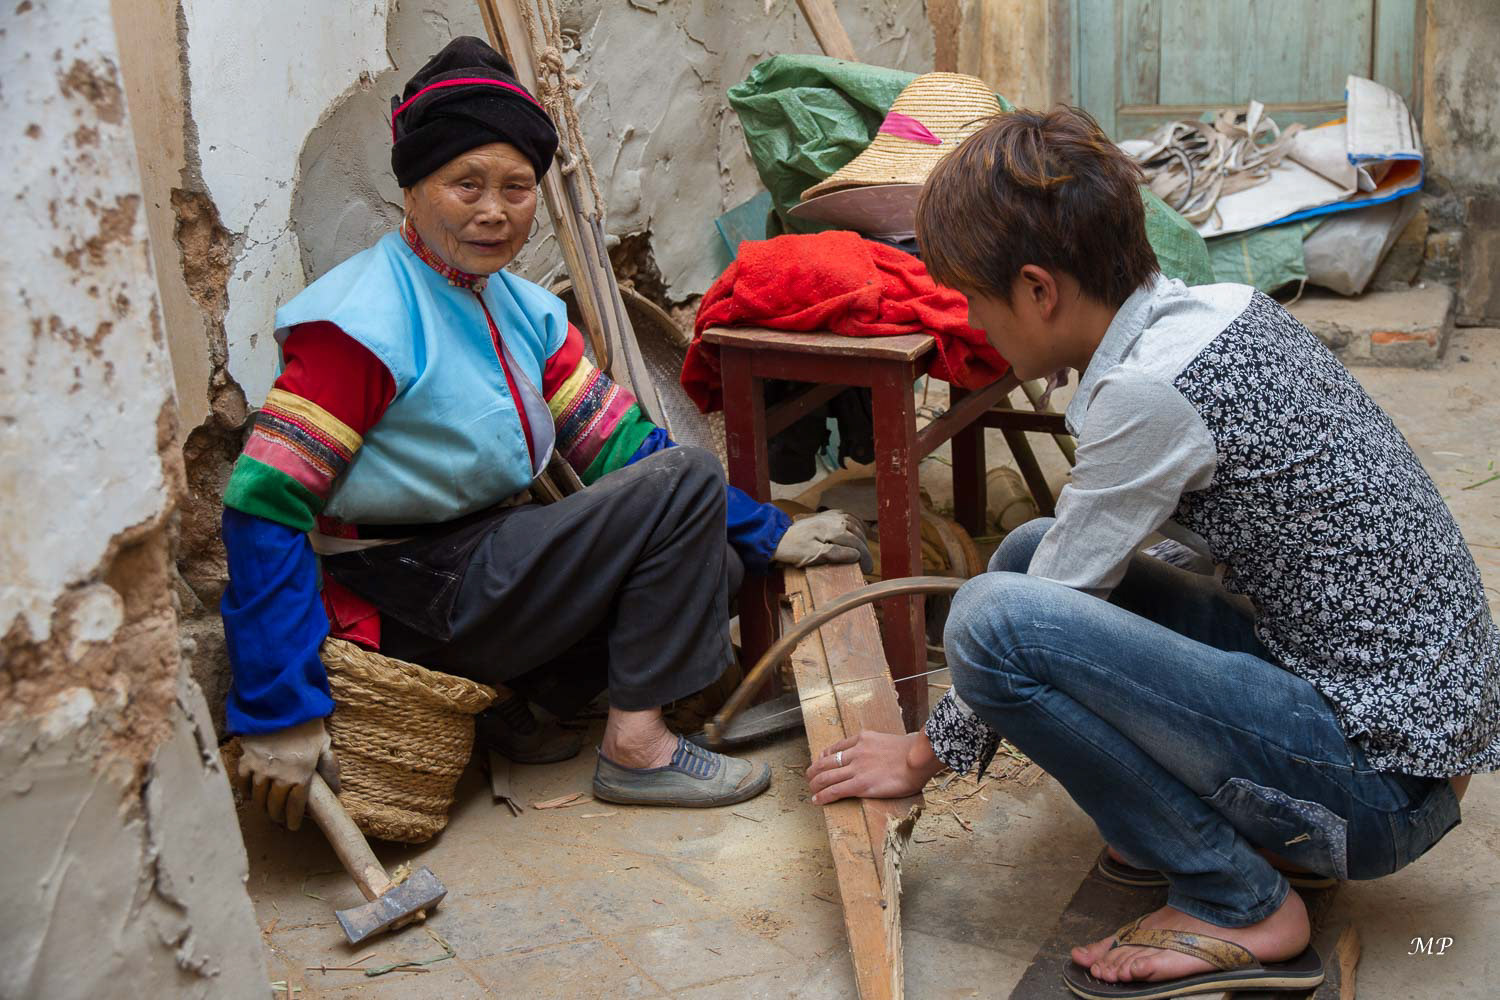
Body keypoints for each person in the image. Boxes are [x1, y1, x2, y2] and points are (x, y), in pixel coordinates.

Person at [806, 107, 1497, 999]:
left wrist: (916, 759)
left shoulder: (1147, 391)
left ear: (1038, 290)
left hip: (1381, 786)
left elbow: (1035, 613)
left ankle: (1235, 895)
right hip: (1402, 733)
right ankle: (1173, 824)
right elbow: (1080, 570)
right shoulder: (1215, 313)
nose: (980, 329)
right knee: (1024, 554)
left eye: (978, 303)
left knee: (990, 622)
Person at [223, 36, 870, 830]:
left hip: (488, 566)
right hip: (408, 588)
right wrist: (277, 703)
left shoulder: (525, 312)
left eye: (517, 187)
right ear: (414, 191)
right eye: (467, 184)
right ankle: (638, 748)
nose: (494, 210)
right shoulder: (361, 322)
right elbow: (262, 506)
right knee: (691, 488)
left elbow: (627, 450)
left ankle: (520, 701)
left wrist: (771, 535)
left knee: (717, 549)